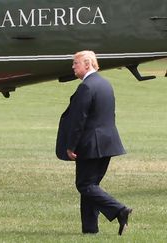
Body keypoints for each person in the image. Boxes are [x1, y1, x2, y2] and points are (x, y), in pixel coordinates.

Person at [56, 50, 132, 235]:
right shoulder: (105, 84)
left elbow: (79, 120)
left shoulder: (87, 87)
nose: (73, 66)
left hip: (91, 145)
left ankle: (119, 210)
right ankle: (90, 229)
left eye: (76, 63)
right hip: (107, 143)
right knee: (91, 186)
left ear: (87, 64)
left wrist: (71, 146)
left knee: (84, 185)